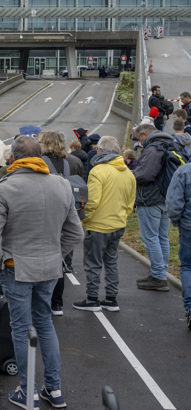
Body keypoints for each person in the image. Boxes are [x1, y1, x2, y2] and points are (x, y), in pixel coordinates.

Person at [0, 135, 83, 409]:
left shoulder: (3, 188)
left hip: (16, 267)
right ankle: (54, 388)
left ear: (12, 158)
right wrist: (55, 254)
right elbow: (76, 232)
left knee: (21, 328)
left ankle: (28, 392)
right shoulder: (61, 185)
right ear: (40, 157)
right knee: (45, 323)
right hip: (49, 268)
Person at [71, 136, 136, 312]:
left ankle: (92, 299)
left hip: (98, 225)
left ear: (100, 151)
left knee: (93, 263)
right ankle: (111, 299)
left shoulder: (98, 171)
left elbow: (91, 201)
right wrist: (122, 215)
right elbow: (131, 202)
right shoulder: (128, 172)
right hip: (118, 223)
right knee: (111, 262)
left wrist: (85, 219)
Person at [132, 123, 174, 292]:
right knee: (162, 237)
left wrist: (130, 176)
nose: (139, 142)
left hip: (150, 199)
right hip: (166, 198)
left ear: (144, 134)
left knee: (151, 238)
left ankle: (158, 276)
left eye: (138, 138)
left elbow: (145, 174)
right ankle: (161, 272)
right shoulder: (170, 144)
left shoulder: (152, 148)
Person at [165, 156, 191, 331]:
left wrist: (177, 221)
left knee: (188, 265)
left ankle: (190, 306)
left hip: (189, 226)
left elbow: (173, 203)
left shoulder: (184, 171)